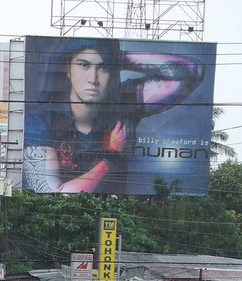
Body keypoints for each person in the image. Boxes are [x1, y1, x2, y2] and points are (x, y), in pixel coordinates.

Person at [23, 38, 205, 194]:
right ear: (68, 70)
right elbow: (51, 194)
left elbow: (191, 71)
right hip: (59, 222)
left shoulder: (123, 101)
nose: (93, 79)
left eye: (103, 68)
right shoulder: (40, 120)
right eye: (84, 65)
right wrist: (110, 159)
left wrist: (120, 58)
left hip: (117, 213)